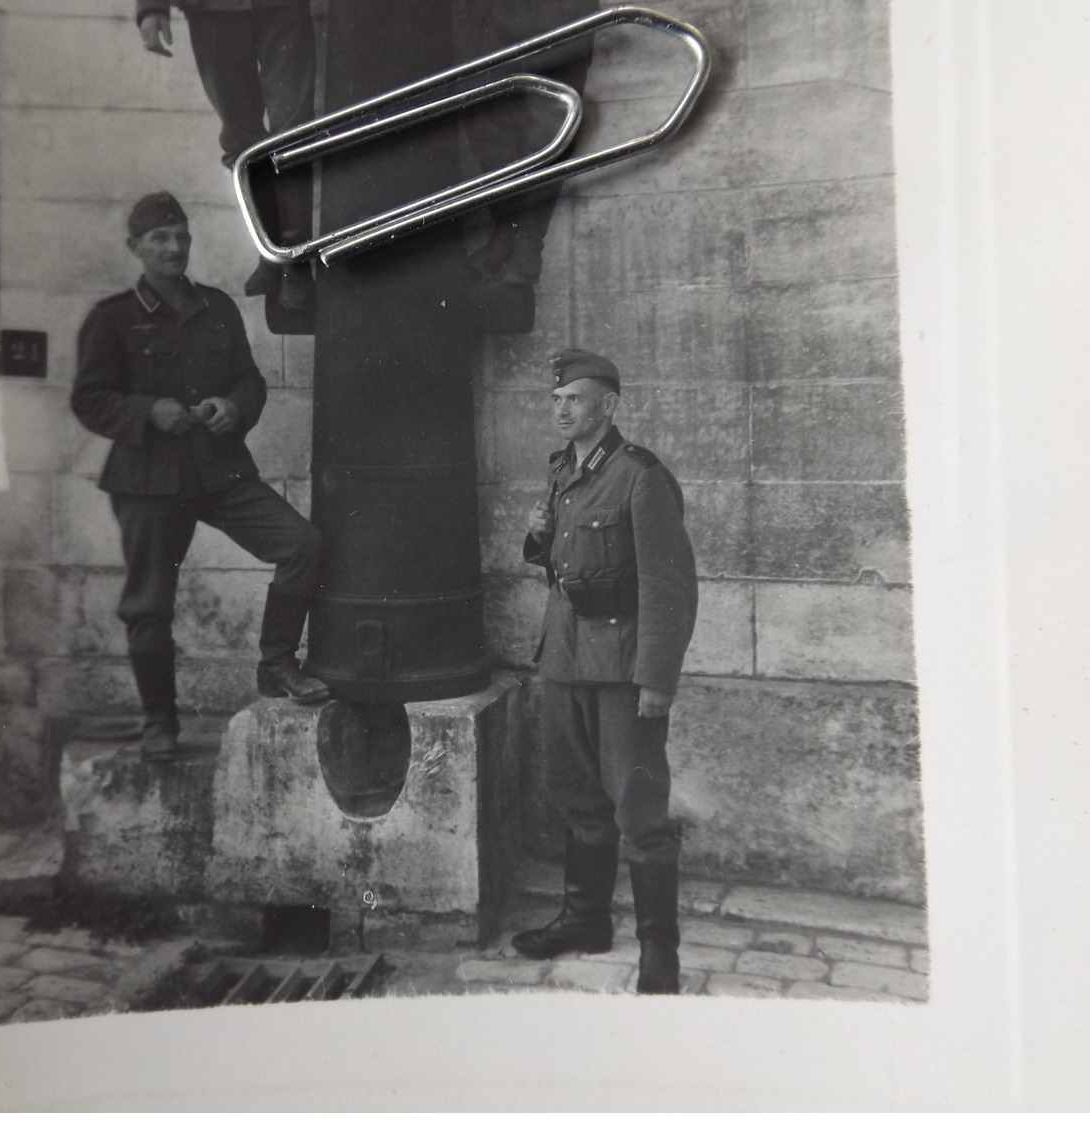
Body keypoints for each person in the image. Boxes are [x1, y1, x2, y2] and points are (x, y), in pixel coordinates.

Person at [71, 191, 330, 762]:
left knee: (302, 544)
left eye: (181, 236)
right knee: (149, 605)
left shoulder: (217, 308)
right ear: (135, 248)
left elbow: (250, 382)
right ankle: (159, 722)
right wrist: (146, 412)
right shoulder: (112, 319)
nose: (173, 247)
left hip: (217, 468)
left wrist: (235, 408)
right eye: (159, 239)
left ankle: (277, 663)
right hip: (146, 479)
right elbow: (89, 400)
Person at [512, 348, 698, 994]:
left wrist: (657, 679)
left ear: (608, 406)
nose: (564, 409)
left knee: (639, 811)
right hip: (563, 658)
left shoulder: (641, 477)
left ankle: (659, 951)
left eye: (577, 399)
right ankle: (585, 921)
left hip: (621, 667)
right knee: (577, 798)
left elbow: (669, 589)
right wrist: (536, 536)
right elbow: (565, 561)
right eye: (557, 400)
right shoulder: (563, 470)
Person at [135, 0, 315, 310]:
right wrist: (152, 8)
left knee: (293, 134)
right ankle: (270, 248)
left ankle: (295, 260)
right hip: (212, 11)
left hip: (284, 9)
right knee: (241, 138)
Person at [458, 0, 598, 286]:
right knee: (483, 109)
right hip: (499, 11)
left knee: (552, 121)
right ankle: (508, 227)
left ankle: (527, 241)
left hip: (560, 11)